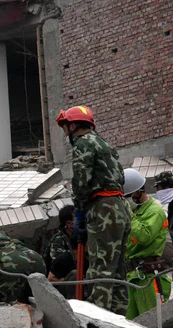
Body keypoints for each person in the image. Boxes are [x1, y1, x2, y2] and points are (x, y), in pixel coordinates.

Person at [56, 106, 131, 315]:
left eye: (65, 128)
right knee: (117, 271)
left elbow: (81, 182)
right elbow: (121, 178)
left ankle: (101, 324)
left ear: (73, 126)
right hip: (121, 206)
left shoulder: (83, 144)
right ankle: (119, 320)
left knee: (100, 270)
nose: (65, 134)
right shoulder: (105, 144)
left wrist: (79, 212)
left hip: (103, 208)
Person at [122, 168, 172, 319]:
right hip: (132, 275)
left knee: (152, 323)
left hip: (148, 275)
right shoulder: (136, 212)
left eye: (127, 196)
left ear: (138, 192)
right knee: (131, 323)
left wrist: (128, 215)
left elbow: (144, 237)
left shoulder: (154, 211)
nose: (125, 200)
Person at [43, 205, 75, 276]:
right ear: (69, 224)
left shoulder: (78, 237)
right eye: (77, 218)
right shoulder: (58, 241)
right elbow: (60, 264)